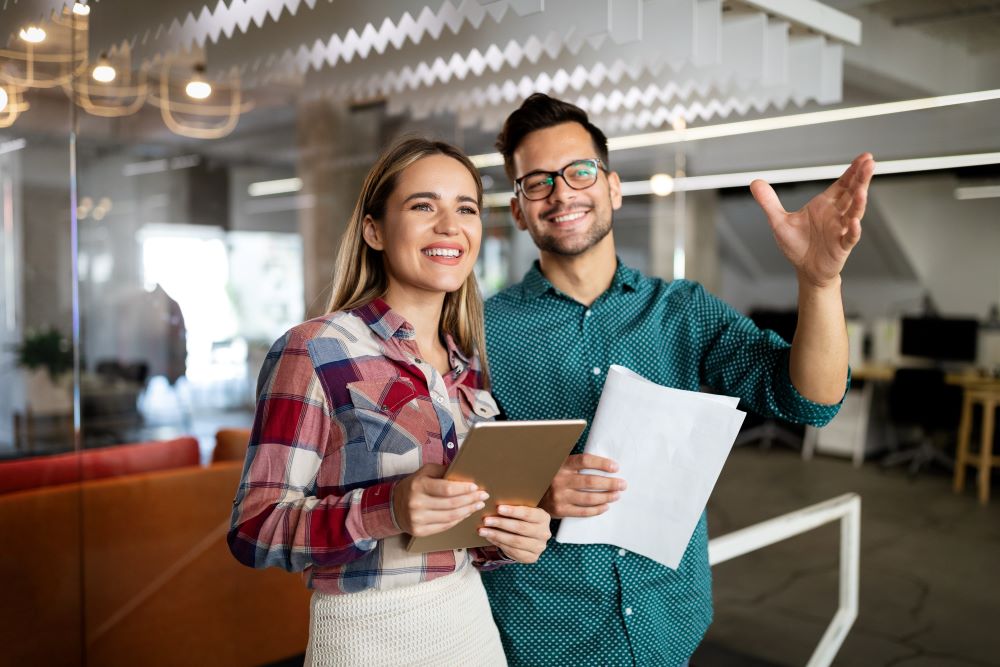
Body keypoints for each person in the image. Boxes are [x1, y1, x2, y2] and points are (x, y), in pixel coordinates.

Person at [479, 93, 875, 666]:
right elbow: (452, 482)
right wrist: (536, 491)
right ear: (517, 209)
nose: (561, 192)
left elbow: (811, 403)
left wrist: (818, 283)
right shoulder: (482, 332)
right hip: (542, 633)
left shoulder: (683, 311)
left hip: (667, 624)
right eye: (536, 182)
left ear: (612, 186)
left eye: (579, 171)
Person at [227, 137, 552, 666]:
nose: (450, 225)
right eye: (424, 205)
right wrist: (389, 508)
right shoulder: (316, 349)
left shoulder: (467, 364)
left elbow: (463, 532)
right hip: (365, 639)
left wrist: (510, 535)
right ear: (374, 230)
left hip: (472, 631)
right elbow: (253, 529)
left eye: (464, 208)